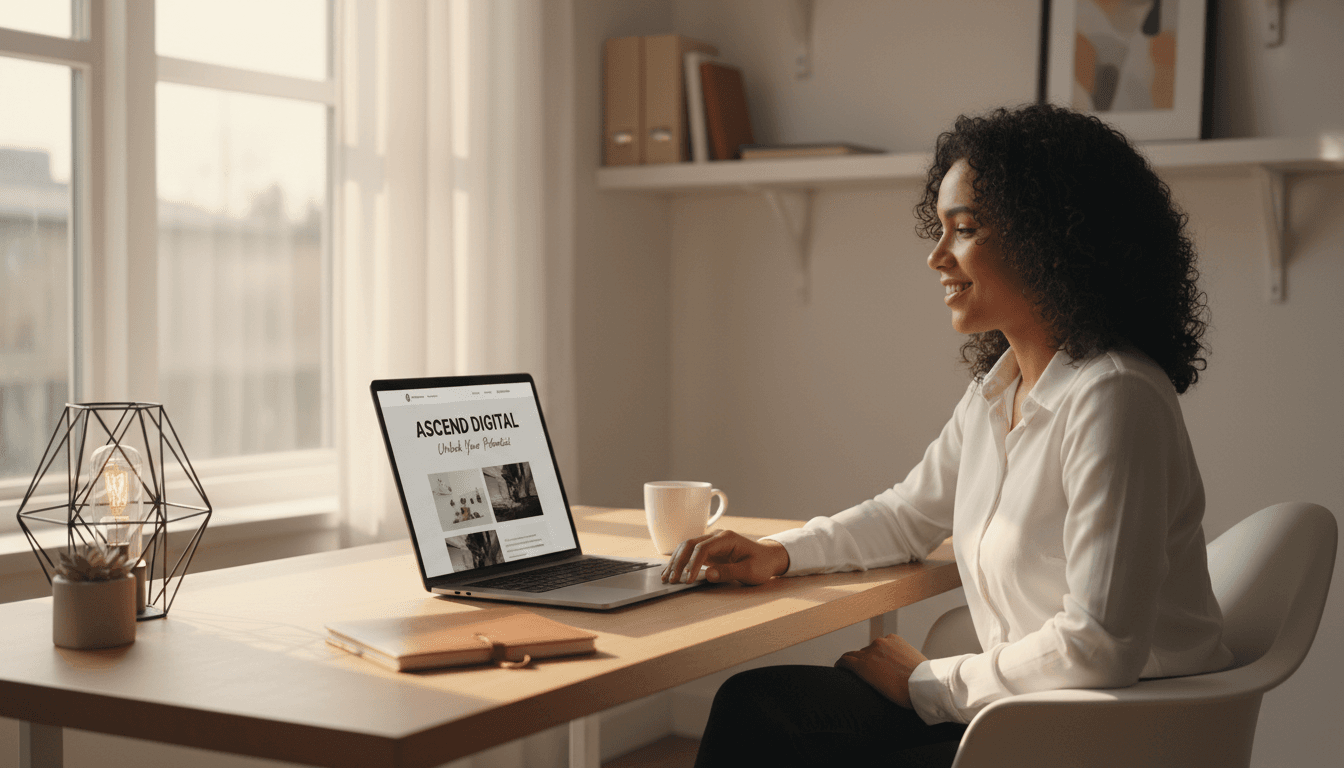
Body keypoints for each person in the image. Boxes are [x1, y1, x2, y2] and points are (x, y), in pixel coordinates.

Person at [661, 103, 1233, 768]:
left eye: (963, 230)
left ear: (1050, 237)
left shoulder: (1115, 397)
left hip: (1103, 737)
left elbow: (1100, 647)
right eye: (939, 230)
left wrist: (923, 682)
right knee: (756, 707)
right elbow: (907, 515)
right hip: (1014, 710)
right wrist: (776, 554)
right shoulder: (1000, 389)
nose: (937, 257)